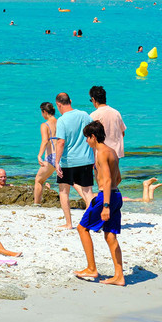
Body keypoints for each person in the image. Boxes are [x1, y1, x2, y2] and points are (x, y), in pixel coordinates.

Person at [75, 118, 124, 286]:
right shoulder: (112, 151)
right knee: (110, 235)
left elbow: (109, 179)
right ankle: (119, 276)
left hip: (107, 198)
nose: (87, 141)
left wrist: (105, 205)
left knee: (82, 228)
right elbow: (119, 178)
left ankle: (91, 268)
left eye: (87, 138)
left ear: (93, 136)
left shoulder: (101, 153)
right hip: (117, 195)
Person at [52, 89, 94, 224]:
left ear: (58, 105)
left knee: (64, 192)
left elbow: (61, 142)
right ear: (70, 101)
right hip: (86, 159)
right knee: (88, 193)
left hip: (68, 162)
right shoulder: (84, 115)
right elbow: (94, 132)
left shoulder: (62, 120)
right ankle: (91, 221)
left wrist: (56, 161)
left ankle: (69, 223)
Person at [34, 100, 60, 203]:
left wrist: (39, 155)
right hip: (60, 155)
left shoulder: (45, 125)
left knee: (39, 180)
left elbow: (45, 141)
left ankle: (36, 204)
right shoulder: (60, 122)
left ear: (44, 111)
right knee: (70, 182)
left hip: (50, 157)